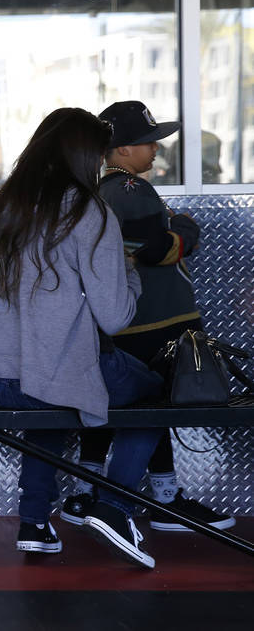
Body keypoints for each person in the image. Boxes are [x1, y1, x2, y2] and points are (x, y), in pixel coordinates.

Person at [0, 107, 165, 569]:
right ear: (85, 156)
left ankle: (34, 522)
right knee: (156, 395)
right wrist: (129, 273)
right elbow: (114, 317)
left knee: (49, 392)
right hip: (39, 376)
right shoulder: (91, 212)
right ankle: (115, 506)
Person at [58, 101, 234, 533]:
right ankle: (163, 501)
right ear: (121, 149)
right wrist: (186, 229)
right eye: (147, 141)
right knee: (153, 409)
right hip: (156, 323)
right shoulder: (129, 189)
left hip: (128, 322)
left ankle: (86, 493)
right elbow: (153, 249)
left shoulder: (103, 191)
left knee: (117, 408)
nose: (156, 148)